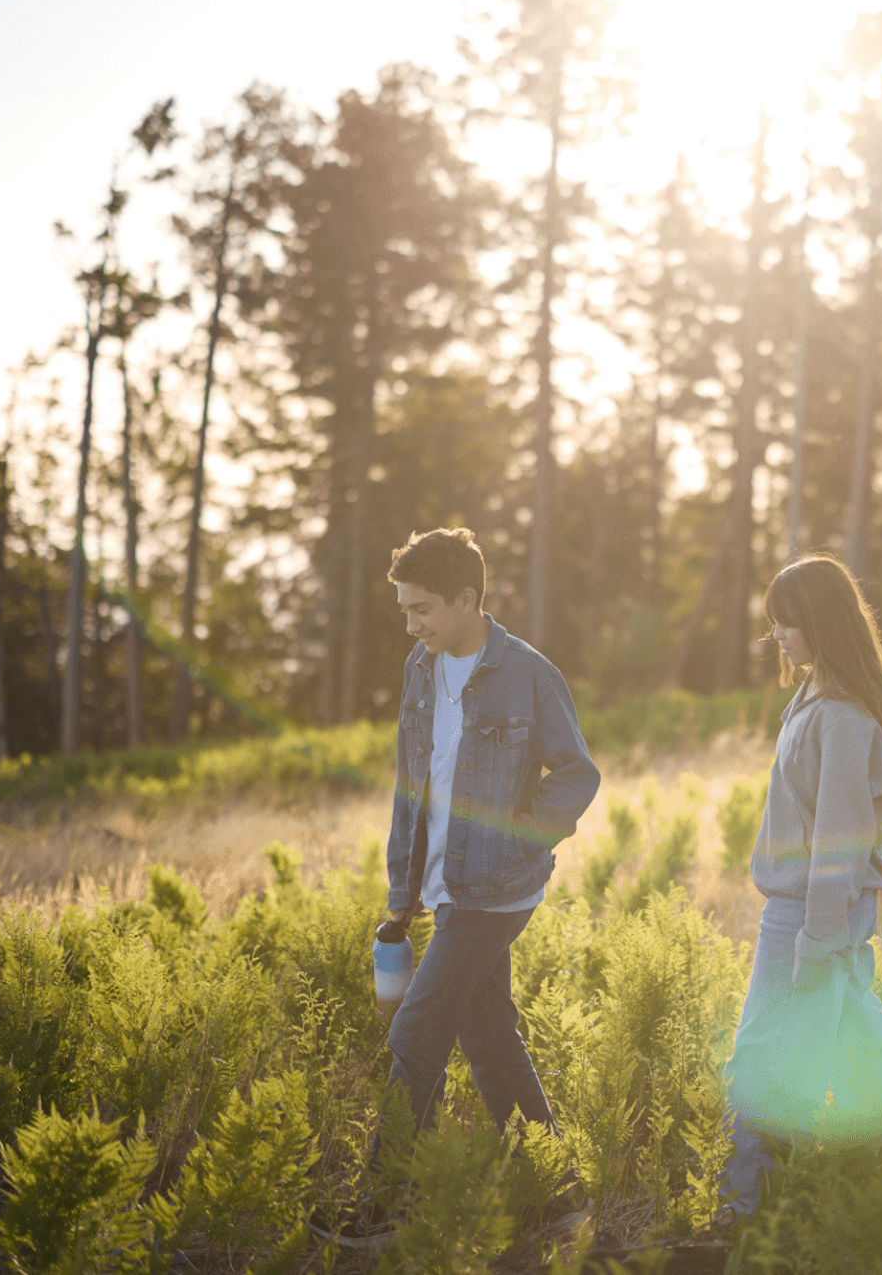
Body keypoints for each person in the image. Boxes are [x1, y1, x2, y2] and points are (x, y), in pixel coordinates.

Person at [313, 527, 601, 1251]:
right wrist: (403, 886)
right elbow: (415, 781)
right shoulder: (421, 666)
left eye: (423, 609)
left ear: (469, 600)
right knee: (488, 1034)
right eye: (405, 609)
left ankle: (386, 1204)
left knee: (416, 1029)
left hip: (495, 890)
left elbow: (577, 774)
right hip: (440, 884)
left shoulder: (530, 674)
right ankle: (555, 1193)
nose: (411, 624)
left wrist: (517, 838)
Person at [717, 555, 882, 1223]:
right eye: (775, 624)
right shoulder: (813, 696)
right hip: (801, 910)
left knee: (759, 1057)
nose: (778, 636)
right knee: (862, 1035)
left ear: (820, 622)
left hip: (808, 914)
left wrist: (816, 937)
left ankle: (740, 1207)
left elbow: (840, 843)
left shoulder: (844, 717)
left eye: (787, 623)